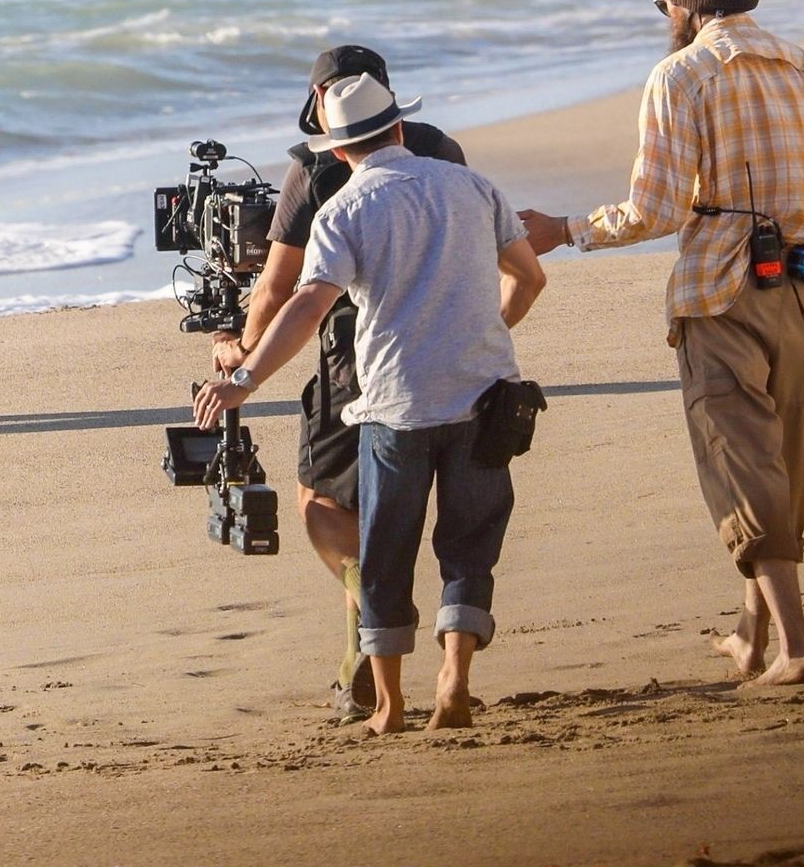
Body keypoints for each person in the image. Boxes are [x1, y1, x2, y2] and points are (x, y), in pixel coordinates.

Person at [519, 0, 804, 686]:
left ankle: (796, 649)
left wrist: (564, 230)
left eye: (663, 2)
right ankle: (752, 636)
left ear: (685, 5)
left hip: (720, 297)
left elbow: (656, 209)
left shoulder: (681, 75)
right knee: (781, 462)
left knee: (740, 463)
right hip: (802, 296)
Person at [195, 73, 546, 735]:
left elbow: (307, 304)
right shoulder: (473, 187)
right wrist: (481, 336)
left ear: (337, 150)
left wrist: (244, 378)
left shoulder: (344, 211)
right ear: (399, 127)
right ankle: (454, 681)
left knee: (385, 556)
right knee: (470, 547)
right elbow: (528, 276)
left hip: (395, 406)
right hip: (483, 397)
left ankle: (389, 707)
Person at [212, 45, 467, 721]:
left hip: (356, 355)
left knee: (321, 499)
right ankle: (409, 653)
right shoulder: (439, 149)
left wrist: (241, 351)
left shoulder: (315, 167)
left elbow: (279, 288)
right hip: (454, 345)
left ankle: (367, 608)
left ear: (319, 105)